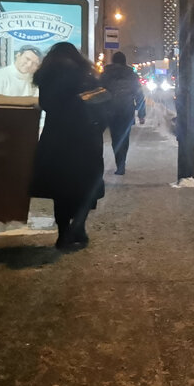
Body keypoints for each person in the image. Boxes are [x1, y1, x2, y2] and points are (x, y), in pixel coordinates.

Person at [29, 42, 104, 251]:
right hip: (84, 137)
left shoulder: (46, 76)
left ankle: (63, 234)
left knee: (61, 189)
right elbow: (99, 102)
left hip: (56, 137)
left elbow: (46, 104)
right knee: (85, 185)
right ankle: (79, 228)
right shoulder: (84, 74)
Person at [98, 51, 146, 175]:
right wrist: (141, 114)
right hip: (127, 110)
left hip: (110, 110)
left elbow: (99, 92)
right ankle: (122, 164)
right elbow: (139, 95)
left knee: (115, 138)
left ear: (113, 61)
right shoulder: (132, 75)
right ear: (125, 61)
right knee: (124, 137)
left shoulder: (106, 74)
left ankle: (119, 163)